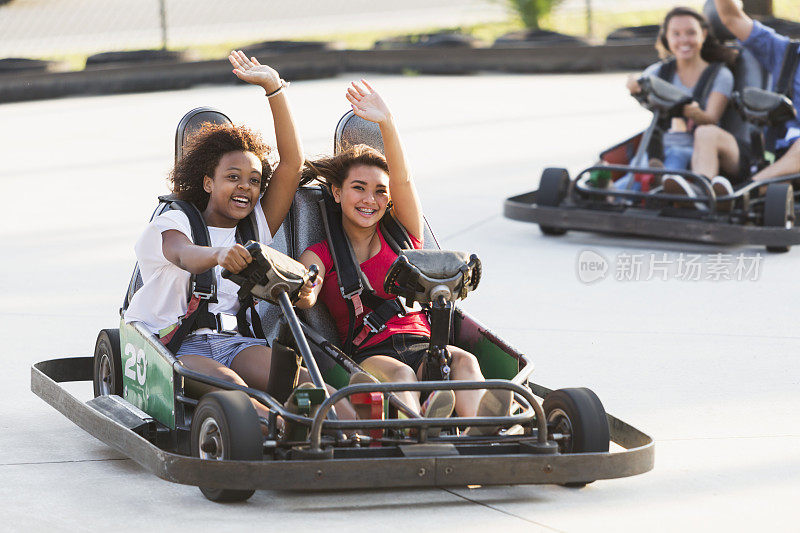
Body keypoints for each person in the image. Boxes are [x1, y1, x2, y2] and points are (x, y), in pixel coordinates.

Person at [124, 51, 352, 422]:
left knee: (313, 384)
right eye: (233, 177)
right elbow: (183, 255)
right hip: (174, 345)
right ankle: (276, 429)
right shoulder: (174, 221)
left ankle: (356, 438)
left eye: (254, 180)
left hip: (236, 342)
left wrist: (274, 88)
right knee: (233, 388)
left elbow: (292, 164)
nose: (245, 187)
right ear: (207, 181)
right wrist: (217, 256)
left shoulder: (254, 226)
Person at [295, 80, 511, 432]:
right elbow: (307, 290)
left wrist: (387, 121)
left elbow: (405, 180)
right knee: (400, 373)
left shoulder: (403, 237)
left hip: (427, 345)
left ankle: (480, 430)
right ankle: (419, 427)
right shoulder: (320, 253)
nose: (370, 199)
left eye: (380, 191)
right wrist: (308, 286)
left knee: (465, 360)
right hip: (370, 356)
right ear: (337, 193)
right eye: (358, 188)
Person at [619, 6, 741, 202]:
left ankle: (666, 191)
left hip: (693, 145)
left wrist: (689, 110)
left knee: (676, 157)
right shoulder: (658, 72)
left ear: (704, 34)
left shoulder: (719, 75)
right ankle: (611, 194)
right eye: (676, 34)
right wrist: (636, 88)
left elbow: (711, 118)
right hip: (659, 145)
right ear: (667, 37)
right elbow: (645, 93)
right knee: (638, 165)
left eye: (691, 33)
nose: (683, 40)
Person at [690, 0, 800, 193]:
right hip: (768, 154)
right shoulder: (786, 52)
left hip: (793, 169)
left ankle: (744, 192)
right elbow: (732, 19)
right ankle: (701, 197)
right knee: (706, 133)